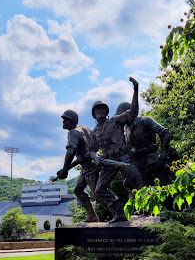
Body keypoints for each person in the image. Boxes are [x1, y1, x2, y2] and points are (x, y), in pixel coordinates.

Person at [90, 77, 143, 223]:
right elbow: (92, 150)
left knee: (138, 184)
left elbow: (132, 112)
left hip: (124, 157)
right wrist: (95, 157)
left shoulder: (115, 120)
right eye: (97, 110)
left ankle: (155, 209)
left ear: (107, 112)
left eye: (102, 109)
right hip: (108, 162)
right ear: (93, 115)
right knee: (99, 190)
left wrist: (135, 90)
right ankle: (119, 212)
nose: (100, 111)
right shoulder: (94, 132)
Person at [56, 110, 99, 222]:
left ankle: (118, 213)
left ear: (72, 121)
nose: (63, 121)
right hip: (86, 166)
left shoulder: (73, 133)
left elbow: (71, 151)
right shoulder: (85, 129)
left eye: (66, 119)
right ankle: (91, 215)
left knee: (99, 193)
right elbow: (94, 145)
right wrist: (66, 168)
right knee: (78, 190)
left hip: (89, 167)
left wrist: (65, 170)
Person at [115, 103, 171, 185]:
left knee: (166, 183)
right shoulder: (126, 129)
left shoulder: (145, 121)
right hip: (139, 162)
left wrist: (163, 153)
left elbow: (164, 133)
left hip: (153, 159)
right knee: (129, 184)